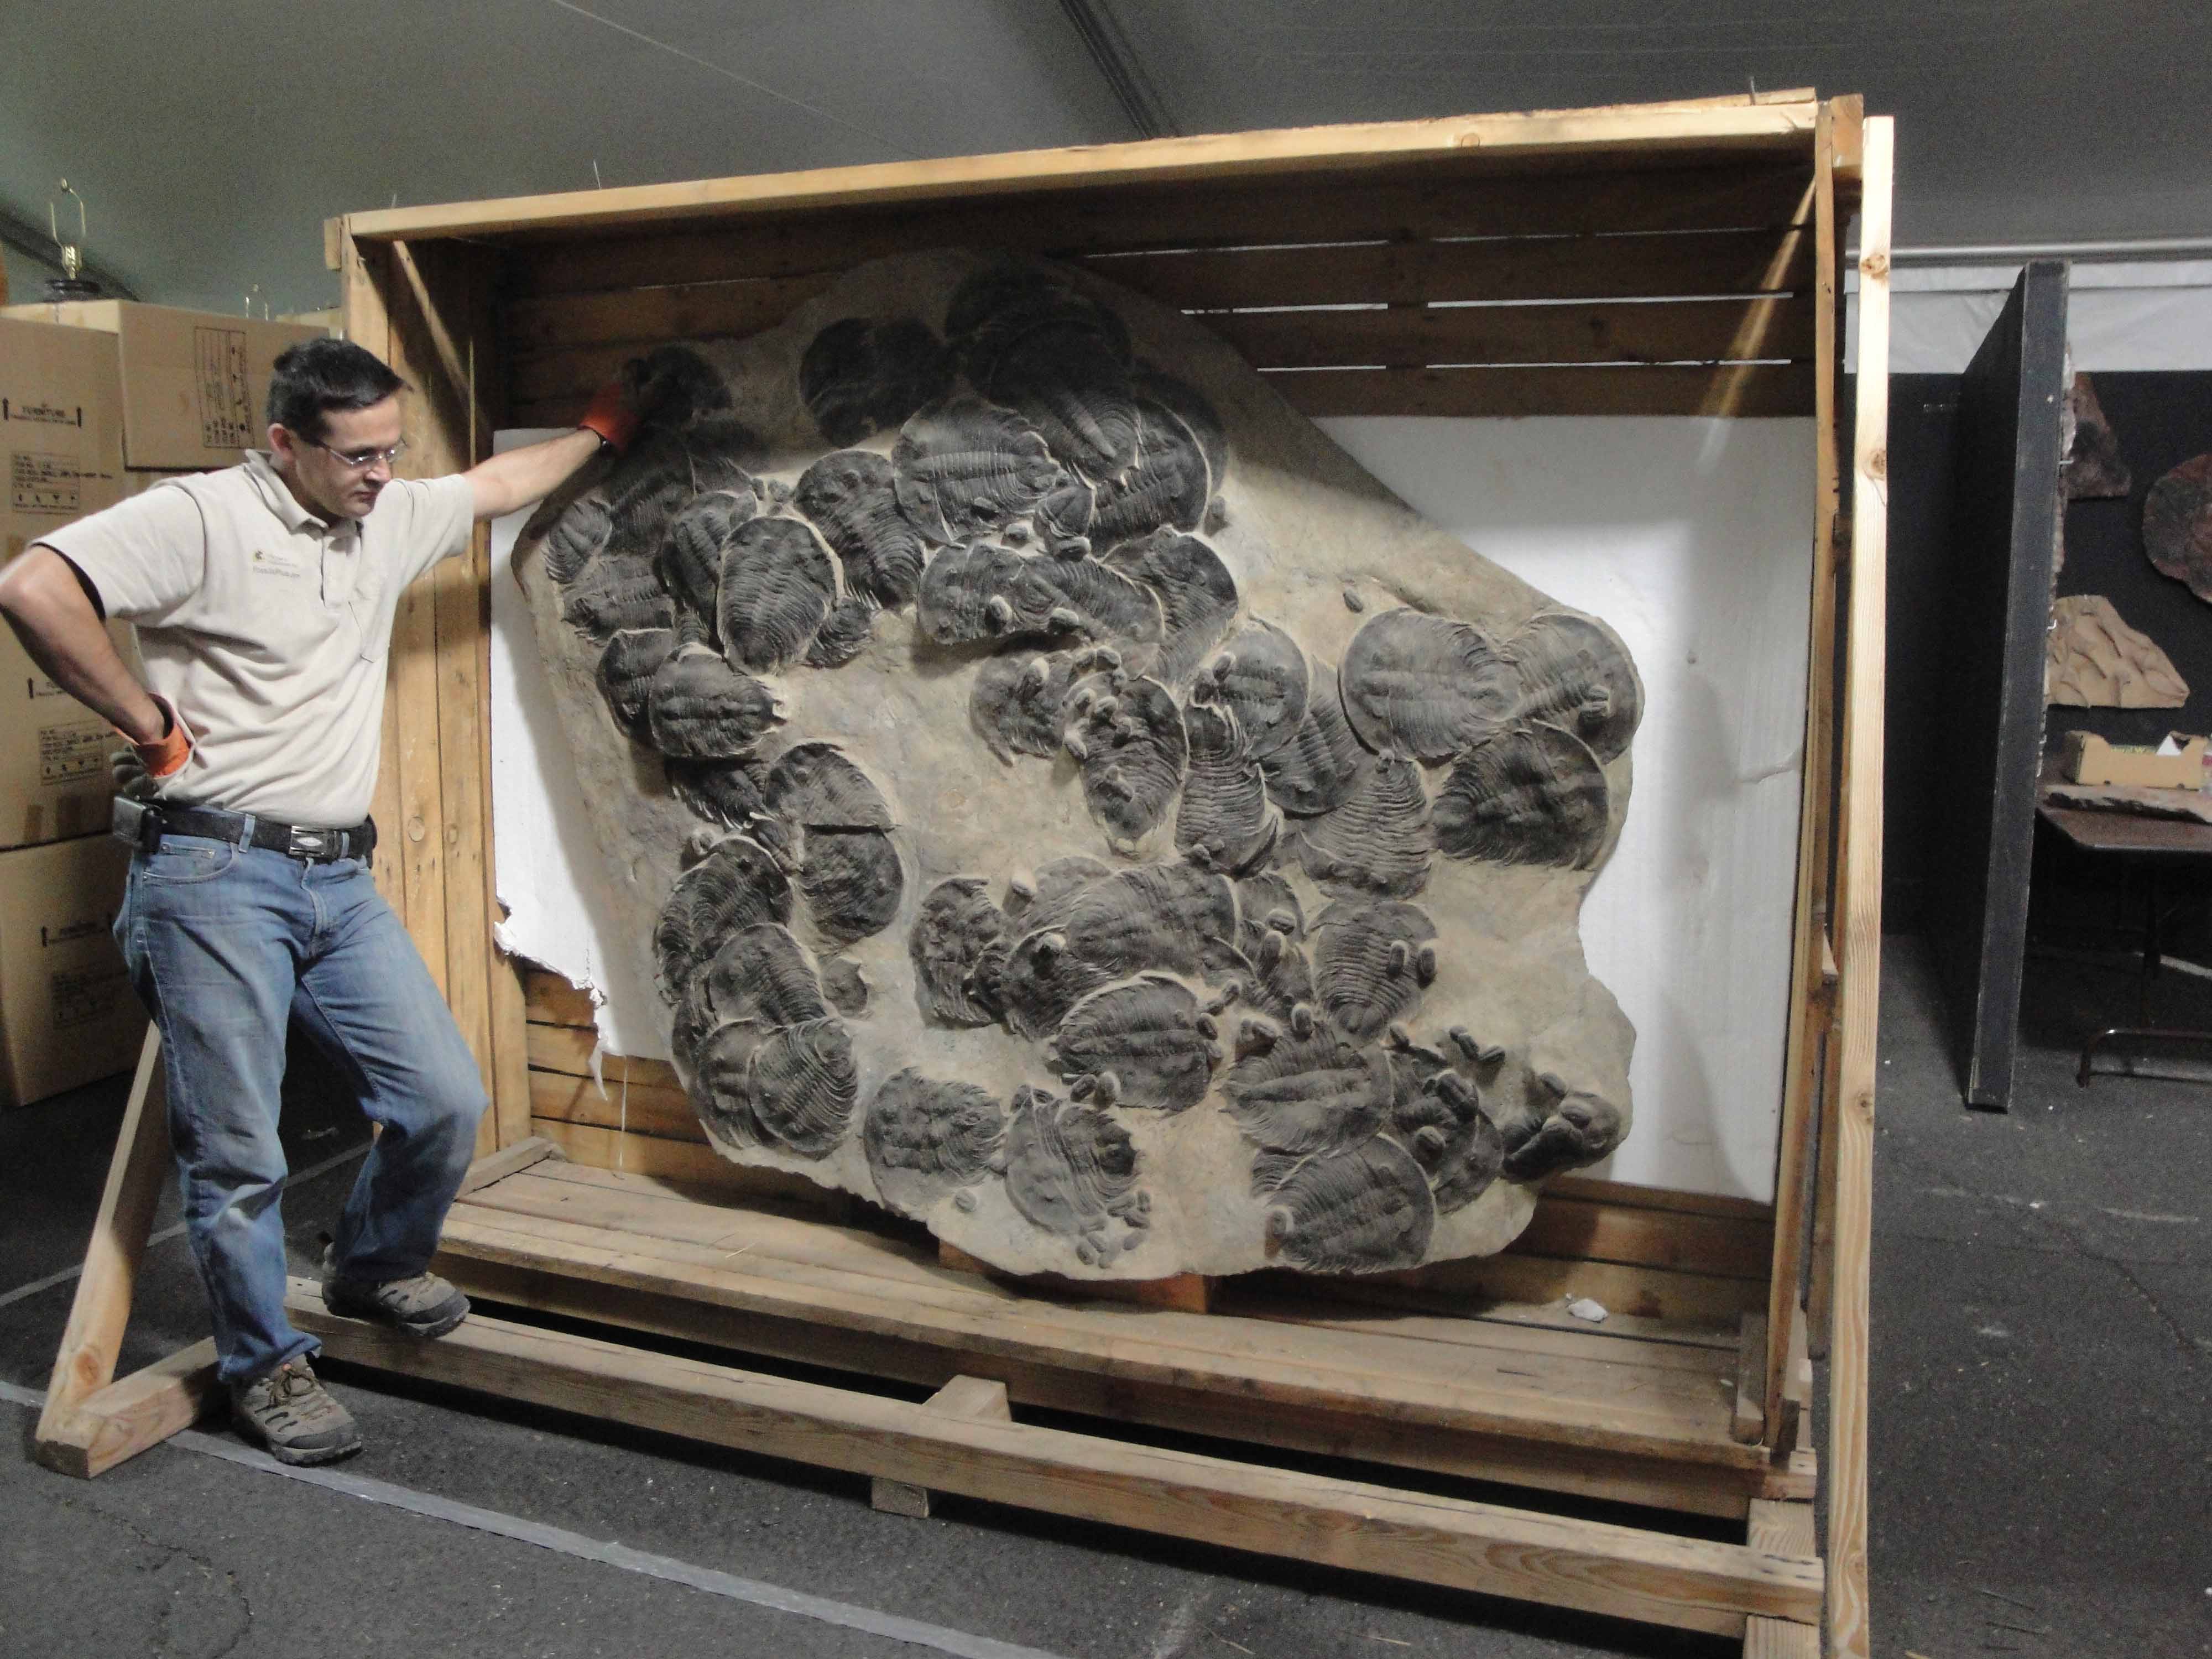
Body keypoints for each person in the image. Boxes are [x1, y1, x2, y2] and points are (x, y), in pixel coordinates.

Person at [0, 338, 642, 1466]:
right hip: (213, 875)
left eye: (391, 451)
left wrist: (596, 435)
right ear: (286, 443)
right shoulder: (201, 519)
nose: (381, 475)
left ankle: (373, 1265)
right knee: (238, 1150)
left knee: (441, 1098)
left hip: (337, 877)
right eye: (357, 456)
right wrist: (146, 724)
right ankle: (265, 1366)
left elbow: (492, 487)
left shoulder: (382, 515)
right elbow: (32, 587)